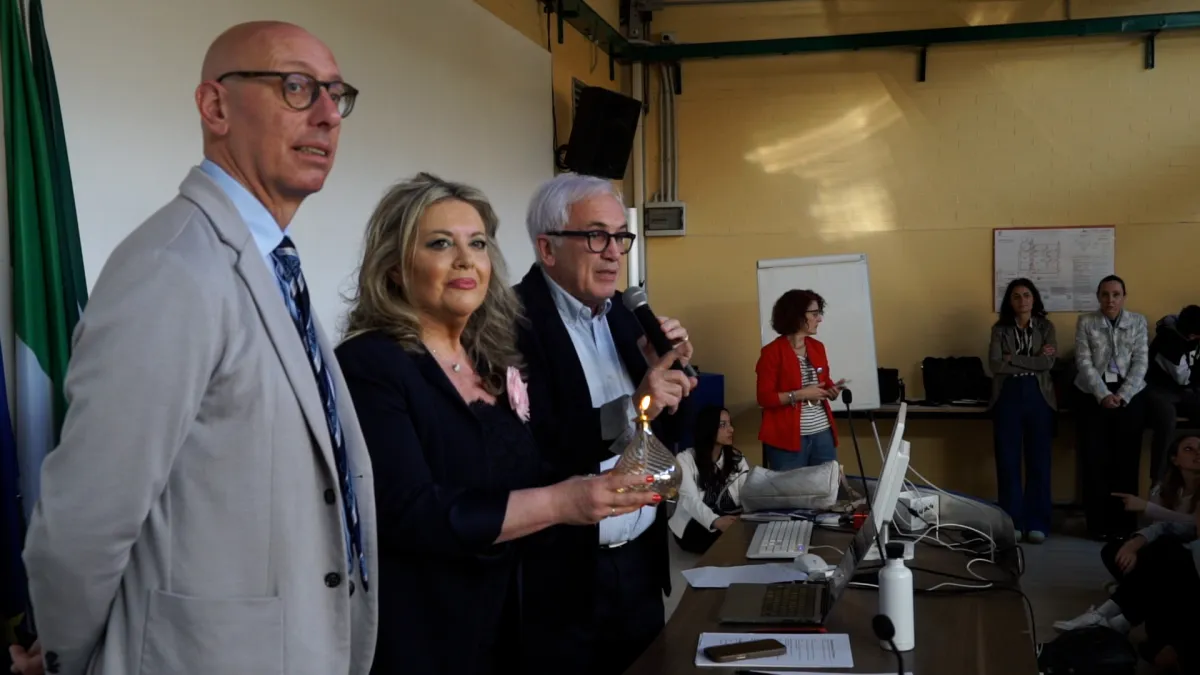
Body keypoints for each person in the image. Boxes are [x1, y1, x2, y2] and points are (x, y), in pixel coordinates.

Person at [21, 22, 379, 675]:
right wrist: (74, 660)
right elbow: (83, 522)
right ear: (216, 107)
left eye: (336, 93)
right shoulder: (171, 267)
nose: (328, 115)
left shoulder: (272, 262)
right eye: (297, 88)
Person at [334, 173, 660, 674]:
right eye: (441, 243)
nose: (465, 259)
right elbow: (408, 513)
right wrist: (562, 501)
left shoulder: (489, 359)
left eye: (478, 243)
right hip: (432, 634)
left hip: (517, 624)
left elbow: (532, 463)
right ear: (395, 268)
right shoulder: (370, 364)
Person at [514, 173, 697, 675]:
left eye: (620, 236)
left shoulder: (625, 316)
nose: (614, 252)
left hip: (639, 564)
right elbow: (529, 448)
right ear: (547, 247)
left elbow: (668, 436)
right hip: (565, 577)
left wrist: (673, 379)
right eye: (596, 235)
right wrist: (636, 403)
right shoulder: (509, 322)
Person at [1073, 275, 1149, 541]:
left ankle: (1124, 526)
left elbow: (1141, 362)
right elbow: (1083, 361)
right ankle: (1097, 525)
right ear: (1098, 297)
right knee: (1095, 462)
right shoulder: (1086, 322)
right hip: (1093, 396)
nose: (1110, 300)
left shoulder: (1138, 322)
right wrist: (1103, 394)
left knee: (1126, 462)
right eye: (1105, 294)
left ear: (1124, 296)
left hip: (1130, 397)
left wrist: (1124, 395)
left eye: (1116, 294)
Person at [988, 278, 1058, 544]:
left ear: (1034, 298)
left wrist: (1012, 358)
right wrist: (1032, 361)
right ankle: (1012, 522)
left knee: (1039, 460)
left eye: (1027, 295)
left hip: (1039, 395)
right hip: (1008, 395)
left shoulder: (1046, 327)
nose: (1022, 300)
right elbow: (995, 365)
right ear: (1010, 301)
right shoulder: (999, 329)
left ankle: (1037, 522)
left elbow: (1048, 362)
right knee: (1008, 460)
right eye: (1016, 296)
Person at [755, 289, 847, 471]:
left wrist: (831, 390)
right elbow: (764, 398)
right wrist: (800, 395)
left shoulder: (817, 347)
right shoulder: (771, 353)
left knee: (826, 493)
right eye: (814, 314)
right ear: (796, 315)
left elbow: (823, 380)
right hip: (787, 440)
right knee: (792, 495)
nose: (819, 319)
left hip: (822, 434)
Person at [669, 406, 751, 554]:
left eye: (730, 423)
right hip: (694, 522)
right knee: (726, 539)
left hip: (730, 517)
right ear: (708, 428)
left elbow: (747, 493)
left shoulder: (737, 458)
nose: (731, 429)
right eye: (723, 425)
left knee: (747, 532)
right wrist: (717, 521)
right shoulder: (685, 459)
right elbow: (690, 500)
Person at [1144, 306, 1200, 482]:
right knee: (1166, 423)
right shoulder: (1167, 340)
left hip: (1185, 390)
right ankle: (1158, 481)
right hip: (1158, 389)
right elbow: (1183, 377)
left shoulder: (1195, 335)